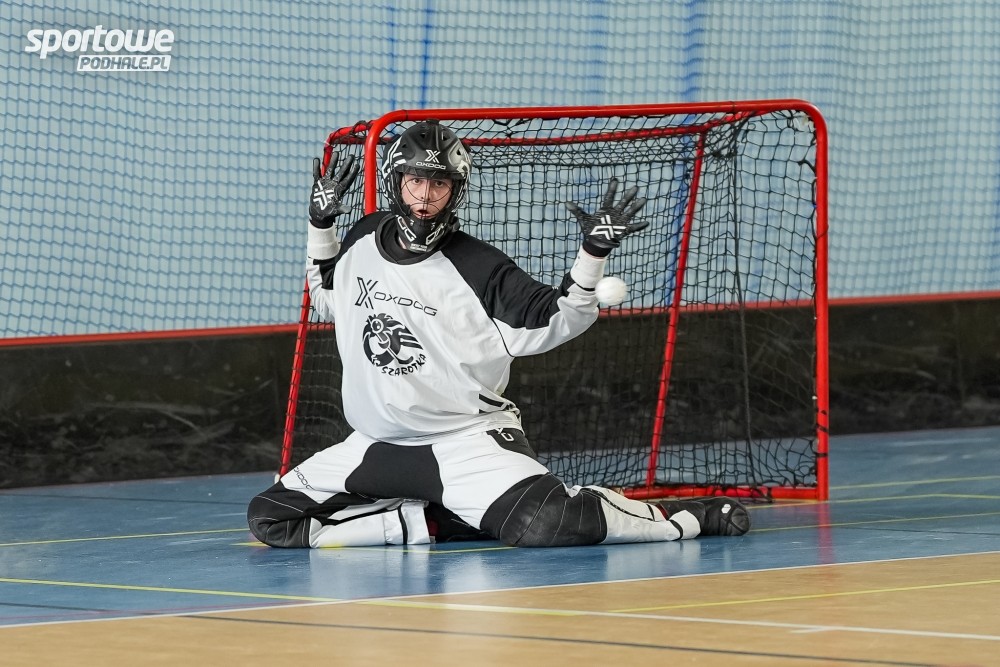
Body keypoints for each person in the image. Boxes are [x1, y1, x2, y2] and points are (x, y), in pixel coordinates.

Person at [247, 119, 750, 548]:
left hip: (465, 444)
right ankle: (430, 521)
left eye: (439, 184)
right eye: (415, 180)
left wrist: (591, 256)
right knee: (272, 518)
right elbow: (329, 292)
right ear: (397, 181)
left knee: (549, 523)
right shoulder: (363, 237)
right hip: (374, 446)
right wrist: (320, 224)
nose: (425, 197)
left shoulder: (480, 267)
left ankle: (683, 517)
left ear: (456, 191)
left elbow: (561, 317)